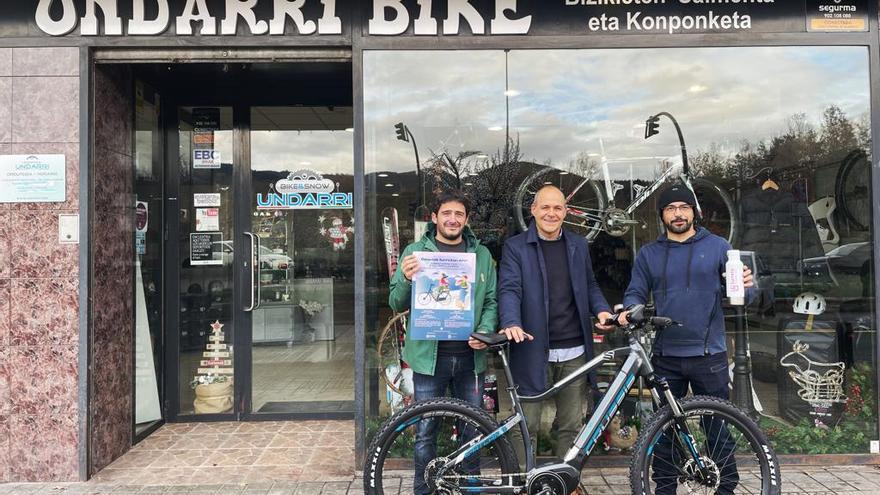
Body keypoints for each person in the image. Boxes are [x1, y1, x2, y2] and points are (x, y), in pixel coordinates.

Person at [621, 182, 753, 495]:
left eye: (684, 207)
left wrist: (748, 286)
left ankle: (726, 489)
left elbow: (742, 294)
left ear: (693, 211)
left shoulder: (719, 246)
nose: (678, 214)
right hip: (665, 356)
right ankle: (665, 489)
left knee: (717, 429)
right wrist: (629, 309)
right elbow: (636, 291)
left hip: (710, 356)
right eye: (670, 208)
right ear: (662, 215)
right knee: (663, 433)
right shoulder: (650, 254)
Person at [388, 190, 498, 495]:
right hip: (428, 358)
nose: (452, 219)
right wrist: (408, 279)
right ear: (435, 217)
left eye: (459, 214)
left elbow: (491, 301)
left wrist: (485, 331)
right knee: (426, 431)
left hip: (470, 358)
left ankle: (469, 489)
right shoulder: (415, 251)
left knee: (472, 430)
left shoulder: (482, 256)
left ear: (466, 219)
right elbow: (395, 302)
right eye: (446, 213)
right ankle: (423, 491)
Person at [498, 185, 615, 469]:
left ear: (566, 212)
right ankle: (524, 483)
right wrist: (511, 321)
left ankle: (566, 480)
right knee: (527, 425)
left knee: (572, 424)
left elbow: (589, 285)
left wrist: (601, 309)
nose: (551, 213)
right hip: (531, 347)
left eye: (558, 208)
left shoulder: (579, 245)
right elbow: (509, 289)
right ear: (533, 211)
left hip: (574, 349)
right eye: (545, 207)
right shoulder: (515, 247)